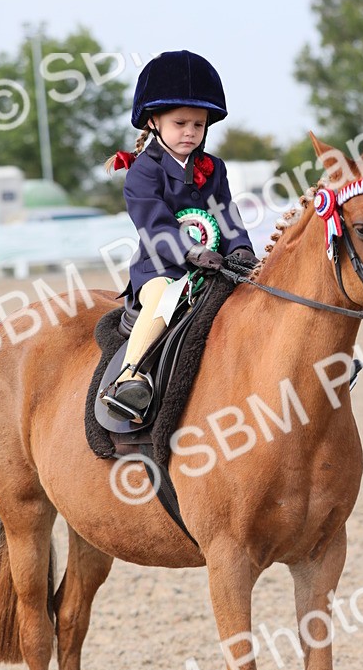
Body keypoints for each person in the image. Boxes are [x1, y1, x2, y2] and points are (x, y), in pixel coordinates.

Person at [102, 49, 256, 423]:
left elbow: (227, 214)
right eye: (180, 123)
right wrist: (191, 253)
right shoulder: (142, 172)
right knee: (162, 300)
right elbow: (154, 226)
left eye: (198, 125)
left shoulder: (213, 168)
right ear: (154, 122)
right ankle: (130, 378)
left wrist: (242, 250)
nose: (190, 132)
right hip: (162, 268)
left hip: (217, 265)